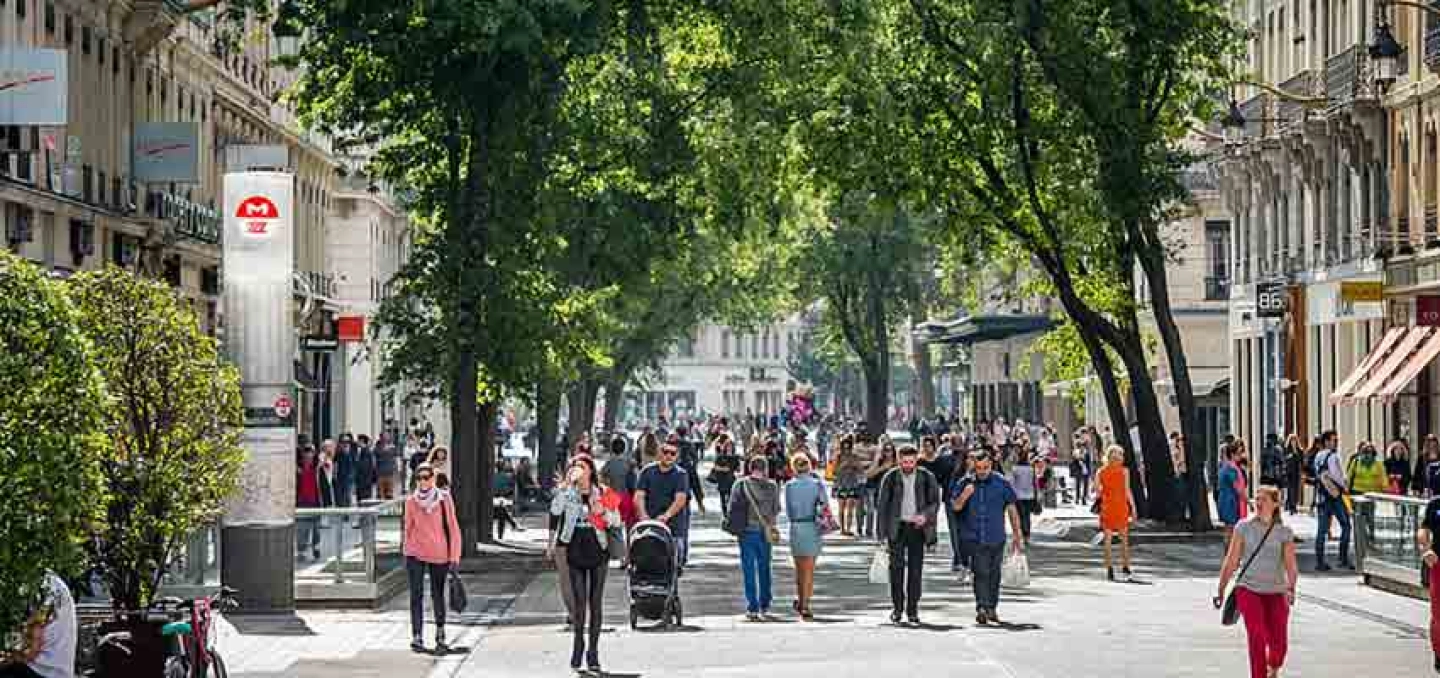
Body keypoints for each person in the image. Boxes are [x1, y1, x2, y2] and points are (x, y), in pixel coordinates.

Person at [1214, 486, 1298, 678]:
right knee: (1256, 635)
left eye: (1264, 500)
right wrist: (1221, 588)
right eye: (1256, 499)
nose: (1258, 503)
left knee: (1279, 646)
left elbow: (1291, 565)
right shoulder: (1243, 527)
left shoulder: (1284, 532)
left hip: (1276, 591)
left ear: (1275, 504)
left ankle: (1273, 666)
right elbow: (1231, 561)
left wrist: (1291, 587)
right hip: (1248, 589)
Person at [549, 455, 615, 673]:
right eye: (575, 466)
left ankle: (593, 652)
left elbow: (617, 519)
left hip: (597, 546)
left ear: (590, 470)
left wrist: (602, 513)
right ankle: (578, 644)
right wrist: (566, 487)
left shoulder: (603, 491)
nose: (578, 470)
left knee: (595, 602)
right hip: (575, 545)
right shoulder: (568, 492)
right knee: (579, 602)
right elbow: (556, 512)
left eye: (582, 466)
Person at [951, 449, 1025, 626]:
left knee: (994, 574)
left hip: (996, 536)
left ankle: (992, 607)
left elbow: (1012, 509)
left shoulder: (1001, 483)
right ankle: (982, 608)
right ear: (973, 467)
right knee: (980, 572)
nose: (982, 471)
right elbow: (955, 507)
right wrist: (964, 496)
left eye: (985, 467)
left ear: (991, 465)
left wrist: (1017, 534)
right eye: (979, 468)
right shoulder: (965, 483)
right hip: (974, 537)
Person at [875, 444, 940, 625]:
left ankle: (913, 609)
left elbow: (935, 502)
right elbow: (882, 507)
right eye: (904, 462)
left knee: (915, 570)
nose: (908, 465)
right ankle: (897, 607)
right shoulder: (891, 477)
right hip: (897, 528)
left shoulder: (926, 477)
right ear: (898, 460)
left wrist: (925, 516)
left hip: (917, 529)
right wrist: (881, 535)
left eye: (911, 462)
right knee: (896, 569)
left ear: (916, 460)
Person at [402, 463, 461, 654]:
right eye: (419, 477)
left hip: (439, 553)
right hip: (415, 553)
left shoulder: (444, 499)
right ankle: (417, 635)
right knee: (416, 595)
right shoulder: (411, 501)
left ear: (433, 479)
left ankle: (440, 631)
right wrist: (406, 551)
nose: (423, 481)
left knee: (437, 594)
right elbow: (408, 528)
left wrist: (454, 556)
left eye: (427, 477)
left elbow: (452, 528)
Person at [729, 456, 780, 620]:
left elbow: (732, 507)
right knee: (764, 566)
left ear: (750, 468)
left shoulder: (740, 484)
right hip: (764, 530)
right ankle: (765, 603)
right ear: (765, 469)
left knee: (748, 568)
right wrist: (771, 525)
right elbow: (776, 510)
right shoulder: (772, 486)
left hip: (746, 530)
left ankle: (752, 606)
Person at [0, 571, 76, 678]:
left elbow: (29, 651)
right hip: (54, 670)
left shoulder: (41, 586)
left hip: (40, 670)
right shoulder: (50, 581)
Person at [636, 442, 692, 568]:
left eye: (672, 453)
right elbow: (639, 496)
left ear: (677, 456)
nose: (668, 456)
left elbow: (680, 499)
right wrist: (643, 515)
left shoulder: (680, 474)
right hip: (650, 521)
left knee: (676, 558)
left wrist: (666, 515)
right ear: (659, 453)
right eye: (665, 452)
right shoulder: (647, 471)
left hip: (674, 524)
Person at [1312, 429, 1353, 571]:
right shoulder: (1332, 456)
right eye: (1334, 440)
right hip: (1334, 496)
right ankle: (1343, 558)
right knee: (1346, 525)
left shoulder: (1318, 456)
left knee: (1321, 530)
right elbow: (1337, 475)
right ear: (1327, 441)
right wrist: (1345, 486)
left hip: (1322, 495)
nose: (1336, 443)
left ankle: (1320, 561)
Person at [1095, 445, 1137, 582]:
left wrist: (1104, 491)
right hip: (1121, 506)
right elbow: (1127, 490)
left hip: (1107, 506)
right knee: (1124, 539)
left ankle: (1109, 568)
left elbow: (1096, 491)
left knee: (1107, 540)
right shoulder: (1124, 471)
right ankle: (1125, 565)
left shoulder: (1100, 471)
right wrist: (1133, 507)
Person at [920, 435, 961, 571]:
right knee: (951, 528)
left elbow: (942, 478)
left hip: (951, 496)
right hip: (941, 495)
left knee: (955, 528)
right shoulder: (944, 460)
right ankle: (957, 558)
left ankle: (959, 558)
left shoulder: (946, 460)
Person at [1414, 488, 1440, 671]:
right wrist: (1425, 548)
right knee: (1438, 612)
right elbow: (1424, 529)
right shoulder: (1435, 504)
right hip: (1438, 563)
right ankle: (1439, 654)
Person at [295, 443, 332, 560]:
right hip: (301, 503)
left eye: (310, 452)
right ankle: (301, 551)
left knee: (316, 529)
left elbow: (324, 485)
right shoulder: (297, 470)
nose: (308, 455)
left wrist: (327, 503)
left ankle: (316, 547)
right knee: (302, 529)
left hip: (316, 502)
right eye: (306, 453)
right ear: (303, 455)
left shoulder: (318, 469)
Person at [864, 439, 898, 540]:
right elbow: (869, 475)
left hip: (895, 492)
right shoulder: (879, 462)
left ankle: (891, 535)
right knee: (881, 514)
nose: (888, 453)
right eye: (886, 450)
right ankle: (881, 535)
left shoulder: (897, 463)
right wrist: (882, 467)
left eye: (890, 450)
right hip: (880, 491)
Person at [1217, 442, 1249, 536]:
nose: (1240, 456)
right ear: (1232, 455)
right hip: (1230, 502)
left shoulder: (1225, 466)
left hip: (1225, 500)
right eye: (1238, 454)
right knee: (1231, 531)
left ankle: (1229, 550)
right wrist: (1248, 501)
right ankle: (1230, 550)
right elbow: (1237, 488)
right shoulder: (1231, 468)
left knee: (1229, 530)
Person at [1009, 446, 1038, 545]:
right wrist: (1036, 495)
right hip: (1030, 495)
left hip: (1019, 496)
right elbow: (1034, 482)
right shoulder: (1031, 468)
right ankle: (1027, 535)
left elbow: (1012, 483)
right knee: (1027, 516)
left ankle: (1023, 533)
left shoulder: (1015, 469)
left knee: (1021, 516)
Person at [711, 434, 742, 512]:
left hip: (731, 479)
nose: (729, 448)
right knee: (723, 498)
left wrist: (738, 468)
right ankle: (724, 513)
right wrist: (723, 469)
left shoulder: (735, 457)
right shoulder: (720, 456)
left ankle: (729, 513)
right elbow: (715, 467)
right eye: (728, 446)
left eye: (731, 446)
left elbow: (738, 469)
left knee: (731, 497)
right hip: (722, 480)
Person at [375, 432, 402, 500]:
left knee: (389, 494)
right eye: (384, 436)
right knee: (381, 494)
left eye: (387, 436)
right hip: (380, 473)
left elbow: (396, 459)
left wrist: (397, 470)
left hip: (390, 473)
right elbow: (375, 460)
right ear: (381, 438)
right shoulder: (377, 448)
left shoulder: (393, 447)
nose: (386, 438)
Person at [1282, 434, 1305, 514]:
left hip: (1297, 472)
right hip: (1289, 473)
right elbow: (1283, 460)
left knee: (1296, 490)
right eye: (1292, 440)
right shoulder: (1286, 450)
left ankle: (1292, 504)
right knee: (1290, 489)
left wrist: (1303, 473)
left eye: (1295, 440)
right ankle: (1292, 507)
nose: (1293, 442)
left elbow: (1302, 462)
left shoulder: (1300, 450)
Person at [333, 434, 357, 507]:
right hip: (339, 478)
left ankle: (347, 515)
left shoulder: (353, 452)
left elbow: (355, 465)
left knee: (348, 497)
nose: (345, 443)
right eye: (343, 442)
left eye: (347, 441)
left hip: (349, 479)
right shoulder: (338, 453)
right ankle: (340, 514)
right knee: (339, 499)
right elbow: (334, 463)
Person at [355, 434, 378, 503]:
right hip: (362, 481)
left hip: (364, 481)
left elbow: (365, 467)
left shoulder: (366, 452)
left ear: (362, 441)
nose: (357, 442)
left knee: (364, 501)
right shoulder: (361, 451)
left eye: (358, 440)